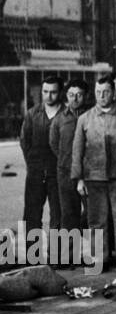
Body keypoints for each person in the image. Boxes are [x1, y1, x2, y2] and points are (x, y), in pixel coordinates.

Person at [72, 75, 116, 272]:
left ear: (113, 93)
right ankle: (99, 259)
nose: (101, 96)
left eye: (105, 92)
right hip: (93, 178)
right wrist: (79, 179)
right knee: (96, 220)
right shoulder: (84, 119)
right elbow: (77, 152)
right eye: (98, 92)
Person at [20, 76, 63, 233]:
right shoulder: (32, 114)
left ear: (60, 92)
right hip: (36, 172)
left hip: (58, 173)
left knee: (59, 216)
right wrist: (32, 165)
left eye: (53, 92)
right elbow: (25, 142)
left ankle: (58, 255)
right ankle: (33, 256)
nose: (49, 96)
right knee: (32, 215)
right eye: (45, 91)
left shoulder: (67, 114)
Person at [49, 80, 88, 244]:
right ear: (66, 96)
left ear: (86, 96)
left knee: (94, 213)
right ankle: (68, 256)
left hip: (90, 173)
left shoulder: (92, 116)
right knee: (68, 215)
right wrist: (68, 161)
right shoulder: (59, 119)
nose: (75, 99)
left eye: (79, 95)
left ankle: (95, 255)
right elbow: (54, 143)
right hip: (66, 173)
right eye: (71, 95)